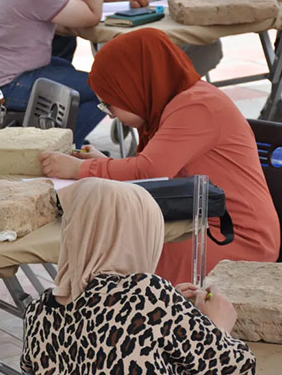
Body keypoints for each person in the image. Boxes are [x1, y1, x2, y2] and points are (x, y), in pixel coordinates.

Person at [39, 28, 280, 285]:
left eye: (109, 104)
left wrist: (79, 170)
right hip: (197, 222)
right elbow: (154, 170)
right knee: (110, 252)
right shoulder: (173, 102)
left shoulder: (197, 105)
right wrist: (101, 163)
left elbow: (149, 170)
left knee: (114, 260)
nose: (108, 114)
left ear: (134, 88)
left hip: (235, 238)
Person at [21, 178, 256, 375]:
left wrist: (170, 308)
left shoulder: (37, 313)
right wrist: (218, 326)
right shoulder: (146, 294)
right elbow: (237, 367)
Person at [0, 0, 106, 147]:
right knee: (104, 89)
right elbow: (92, 16)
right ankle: (58, 150)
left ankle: (61, 142)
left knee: (64, 66)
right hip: (5, 88)